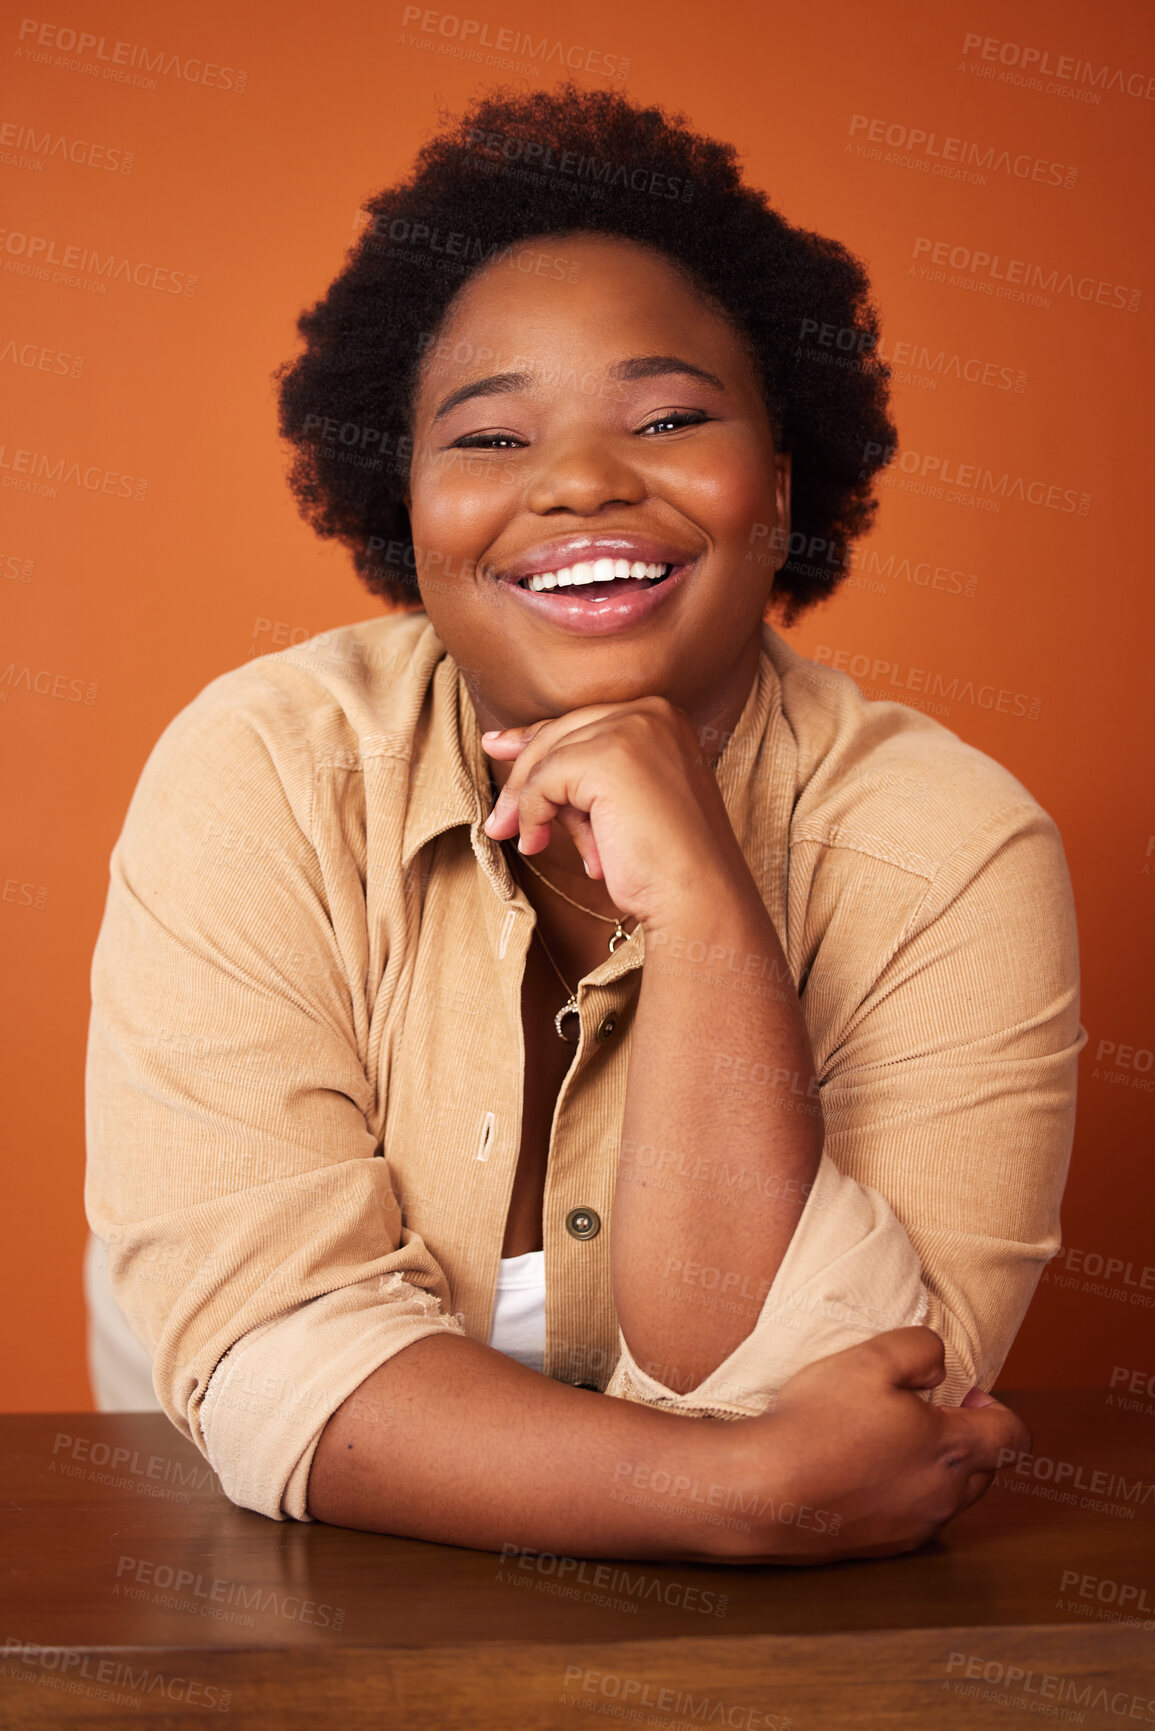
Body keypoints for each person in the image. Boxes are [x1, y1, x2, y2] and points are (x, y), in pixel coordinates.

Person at [85, 83, 1084, 1564]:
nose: (580, 484)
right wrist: (740, 1494)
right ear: (402, 505)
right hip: (264, 1587)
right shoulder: (266, 767)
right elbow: (270, 1360)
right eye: (488, 439)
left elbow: (856, 1405)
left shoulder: (951, 850)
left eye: (671, 417)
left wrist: (704, 899)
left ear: (783, 480)